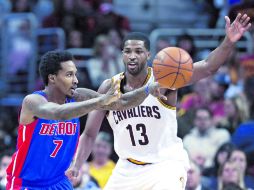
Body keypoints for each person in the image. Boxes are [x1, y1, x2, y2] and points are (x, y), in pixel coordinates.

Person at [67, 13, 251, 190]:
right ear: (122, 55)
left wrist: (228, 41)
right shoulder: (109, 87)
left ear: (148, 55)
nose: (132, 56)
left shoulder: (166, 78)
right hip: (127, 168)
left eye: (138, 51)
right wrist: (77, 164)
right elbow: (90, 134)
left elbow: (208, 67)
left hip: (165, 165)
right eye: (128, 51)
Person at [5, 50, 162, 190]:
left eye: (75, 74)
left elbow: (121, 103)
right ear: (52, 78)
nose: (76, 80)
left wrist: (147, 89)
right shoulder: (32, 102)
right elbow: (58, 113)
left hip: (60, 182)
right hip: (27, 184)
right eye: (69, 75)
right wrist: (99, 102)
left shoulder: (78, 96)